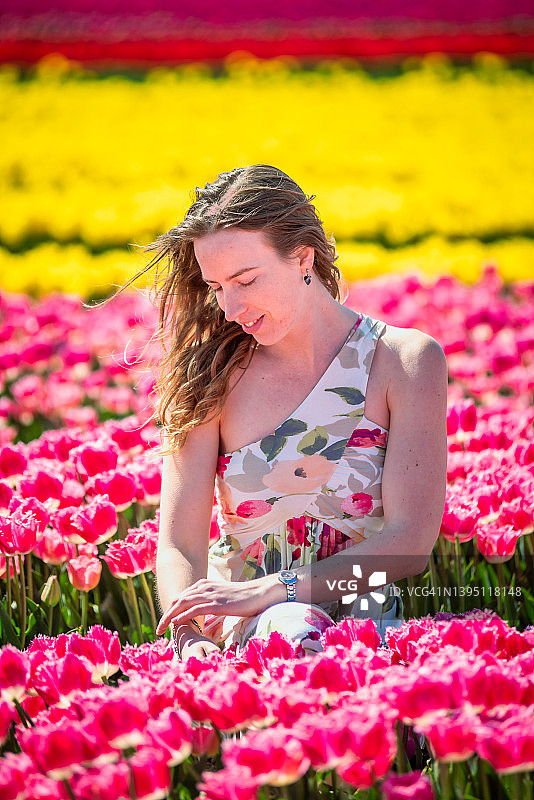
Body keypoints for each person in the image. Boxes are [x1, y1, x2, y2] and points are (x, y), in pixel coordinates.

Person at [145, 164, 447, 661]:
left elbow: (410, 543)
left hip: (362, 621)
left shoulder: (404, 361)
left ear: (302, 256)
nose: (229, 308)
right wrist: (189, 637)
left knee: (307, 630)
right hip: (240, 631)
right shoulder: (210, 375)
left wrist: (274, 589)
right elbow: (180, 543)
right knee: (290, 628)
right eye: (216, 287)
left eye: (245, 280)